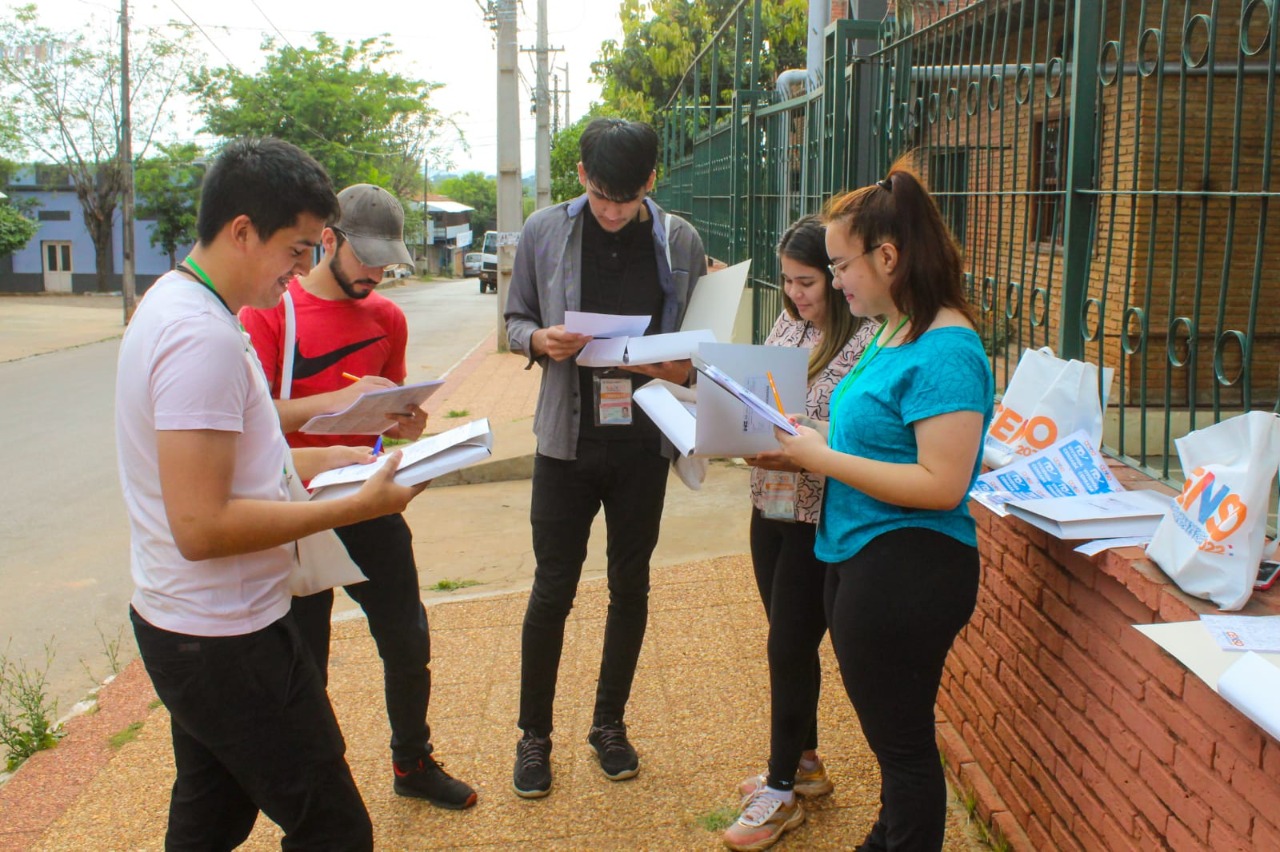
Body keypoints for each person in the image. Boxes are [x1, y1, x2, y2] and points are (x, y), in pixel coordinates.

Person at [115, 137, 428, 850]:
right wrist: (357, 504)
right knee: (336, 830)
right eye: (293, 251)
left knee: (212, 816)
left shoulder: (176, 300)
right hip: (226, 639)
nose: (297, 272)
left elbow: (244, 431)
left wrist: (350, 438)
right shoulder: (205, 337)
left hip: (186, 620)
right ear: (242, 230)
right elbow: (199, 523)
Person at [775, 161, 994, 851]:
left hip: (909, 570)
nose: (835, 281)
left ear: (889, 256)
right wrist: (807, 437)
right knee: (893, 738)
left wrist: (821, 457)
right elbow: (876, 439)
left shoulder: (947, 350)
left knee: (903, 748)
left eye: (842, 265)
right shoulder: (891, 327)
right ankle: (888, 836)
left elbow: (941, 483)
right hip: (862, 554)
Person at [239, 184, 476, 810]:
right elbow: (254, 417)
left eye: (386, 262)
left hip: (370, 498)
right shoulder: (272, 314)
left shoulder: (388, 318)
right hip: (301, 506)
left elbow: (385, 406)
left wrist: (404, 422)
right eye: (365, 258)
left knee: (406, 638)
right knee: (305, 662)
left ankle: (413, 761)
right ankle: (321, 788)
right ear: (328, 240)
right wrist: (335, 404)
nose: (376, 273)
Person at [504, 117, 708, 798]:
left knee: (631, 586)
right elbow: (512, 321)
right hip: (566, 442)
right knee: (552, 587)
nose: (612, 210)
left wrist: (684, 366)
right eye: (600, 195)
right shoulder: (543, 231)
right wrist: (540, 341)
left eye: (626, 197)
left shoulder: (679, 239)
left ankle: (609, 723)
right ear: (583, 177)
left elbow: (696, 349)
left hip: (641, 444)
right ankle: (534, 736)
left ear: (651, 181)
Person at [723, 216, 878, 851]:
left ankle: (781, 791)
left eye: (809, 280)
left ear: (839, 274)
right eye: (787, 281)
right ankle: (806, 761)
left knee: (789, 644)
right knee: (786, 641)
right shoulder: (789, 322)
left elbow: (849, 430)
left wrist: (795, 443)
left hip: (819, 511)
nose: (796, 295)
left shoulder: (867, 337)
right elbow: (761, 394)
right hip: (770, 501)